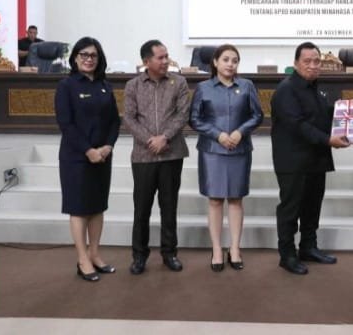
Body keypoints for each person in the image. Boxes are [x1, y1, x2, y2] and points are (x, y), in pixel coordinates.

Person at [271, 42, 350, 275]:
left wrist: (351, 110)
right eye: (307, 61)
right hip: (293, 161)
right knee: (290, 209)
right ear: (296, 63)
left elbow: (323, 116)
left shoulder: (315, 88)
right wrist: (328, 140)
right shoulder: (286, 90)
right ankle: (287, 254)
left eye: (317, 61)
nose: (313, 65)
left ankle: (308, 247)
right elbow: (298, 125)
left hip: (316, 159)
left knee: (312, 207)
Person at [189, 44, 263, 272]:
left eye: (235, 60)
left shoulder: (247, 85)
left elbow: (257, 115)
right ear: (215, 62)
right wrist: (218, 135)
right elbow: (194, 119)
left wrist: (240, 132)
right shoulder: (204, 88)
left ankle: (235, 249)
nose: (231, 64)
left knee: (236, 199)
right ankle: (216, 249)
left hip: (239, 150)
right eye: (226, 60)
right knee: (214, 200)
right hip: (212, 150)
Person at [55, 37, 120, 282]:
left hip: (102, 156)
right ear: (75, 58)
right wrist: (88, 150)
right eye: (83, 55)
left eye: (93, 55)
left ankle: (94, 254)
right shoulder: (66, 86)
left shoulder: (105, 85)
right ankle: (82, 259)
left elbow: (114, 121)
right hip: (76, 157)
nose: (88, 59)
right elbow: (66, 124)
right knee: (79, 208)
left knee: (97, 207)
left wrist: (108, 146)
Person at [123, 40, 190, 275]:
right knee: (142, 209)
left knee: (169, 206)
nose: (165, 61)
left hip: (172, 154)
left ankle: (169, 253)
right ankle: (139, 256)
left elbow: (182, 114)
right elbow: (129, 118)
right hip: (144, 156)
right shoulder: (133, 85)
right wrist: (151, 140)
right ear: (146, 61)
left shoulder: (179, 82)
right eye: (160, 58)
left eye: (166, 56)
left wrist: (165, 138)